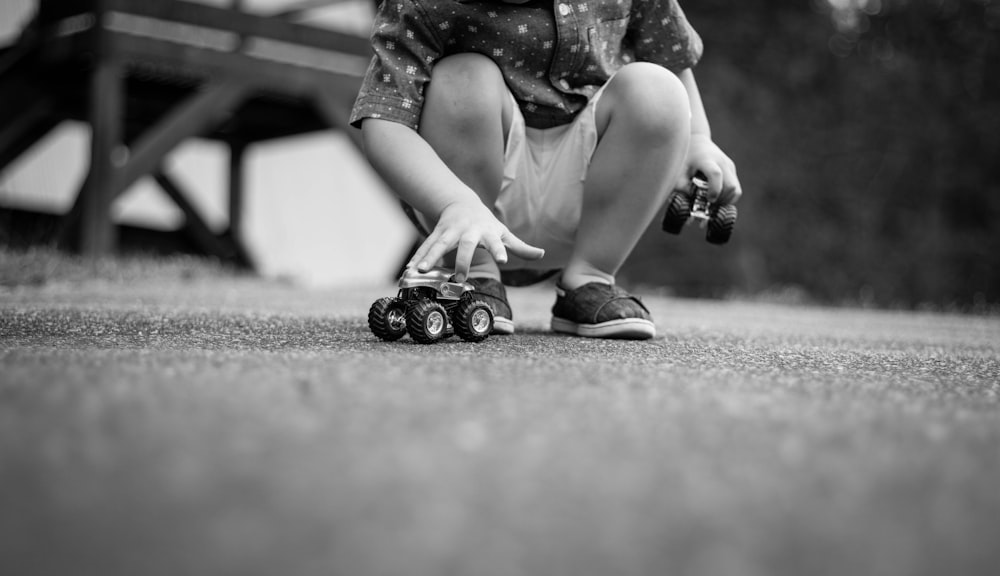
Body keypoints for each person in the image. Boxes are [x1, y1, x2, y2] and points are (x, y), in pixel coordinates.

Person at [350, 0, 741, 339]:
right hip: (465, 202)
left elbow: (671, 58)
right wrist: (453, 201)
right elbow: (384, 121)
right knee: (461, 75)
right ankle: (474, 276)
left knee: (658, 88)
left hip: (593, 198)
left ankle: (590, 279)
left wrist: (698, 139)